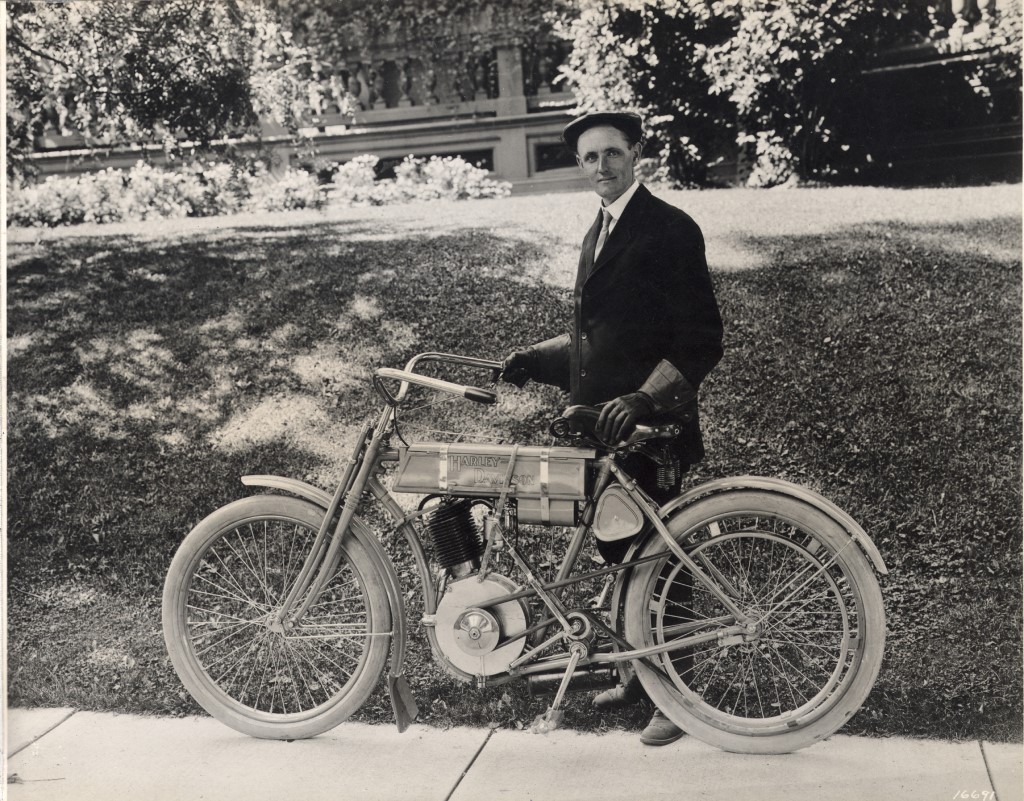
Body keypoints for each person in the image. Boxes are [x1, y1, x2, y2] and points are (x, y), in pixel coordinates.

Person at [501, 111, 724, 746]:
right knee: (618, 558)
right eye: (590, 157)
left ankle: (676, 698)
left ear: (636, 155)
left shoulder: (670, 228)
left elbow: (702, 338)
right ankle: (639, 674)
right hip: (601, 436)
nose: (602, 166)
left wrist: (645, 398)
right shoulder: (598, 230)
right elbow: (596, 339)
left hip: (653, 432)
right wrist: (535, 359)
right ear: (581, 165)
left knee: (661, 563)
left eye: (613, 154)